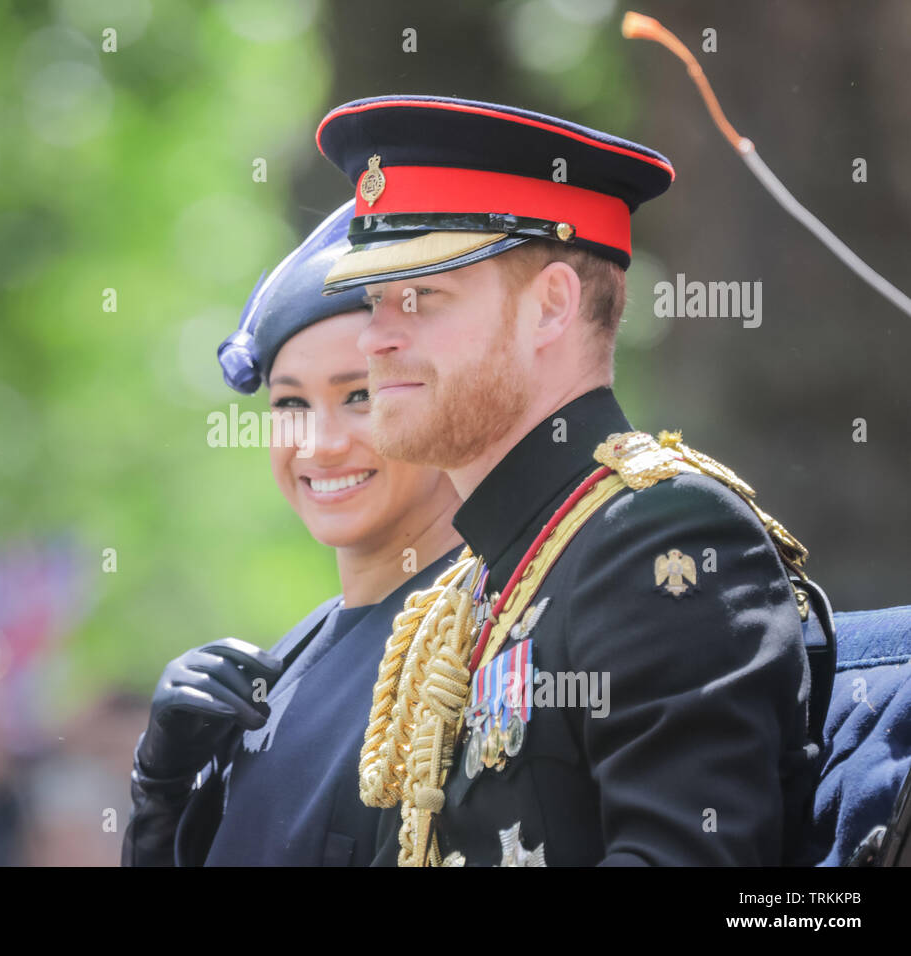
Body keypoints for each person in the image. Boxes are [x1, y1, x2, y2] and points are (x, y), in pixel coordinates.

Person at [315, 95, 819, 866]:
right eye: (373, 300)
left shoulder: (662, 534)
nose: (375, 337)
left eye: (420, 298)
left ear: (551, 307)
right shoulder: (467, 593)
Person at [122, 200, 464, 866]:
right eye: (291, 404)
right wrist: (160, 795)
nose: (321, 444)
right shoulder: (279, 672)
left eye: (359, 395)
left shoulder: (485, 640)